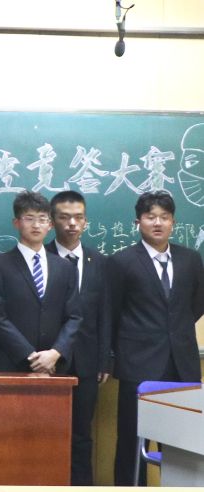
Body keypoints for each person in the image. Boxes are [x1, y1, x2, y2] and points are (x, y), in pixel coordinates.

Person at [107, 191, 204, 486]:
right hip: (138, 365)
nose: (158, 223)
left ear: (174, 222)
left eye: (164, 217)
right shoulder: (121, 261)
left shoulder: (191, 259)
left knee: (182, 444)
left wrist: (174, 329)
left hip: (182, 365)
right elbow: (112, 311)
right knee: (132, 441)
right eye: (151, 217)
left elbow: (197, 304)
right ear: (138, 222)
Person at [47, 190, 112, 486]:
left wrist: (105, 359)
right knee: (46, 431)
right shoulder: (40, 257)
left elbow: (105, 313)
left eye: (78, 217)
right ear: (52, 221)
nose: (72, 223)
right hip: (48, 360)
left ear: (86, 221)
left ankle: (81, 486)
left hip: (87, 361)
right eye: (64, 217)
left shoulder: (99, 261)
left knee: (82, 434)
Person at [0, 191, 81, 374]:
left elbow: (74, 316)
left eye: (42, 219)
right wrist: (30, 356)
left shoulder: (65, 267)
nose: (36, 225)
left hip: (55, 366)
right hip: (11, 363)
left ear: (50, 225)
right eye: (29, 218)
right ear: (16, 223)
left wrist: (55, 353)